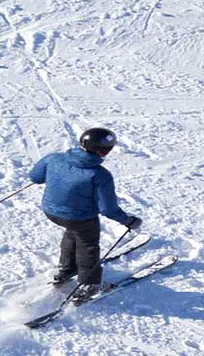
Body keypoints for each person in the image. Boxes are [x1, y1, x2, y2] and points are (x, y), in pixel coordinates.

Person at [28, 127, 143, 298]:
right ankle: (89, 285)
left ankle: (67, 270)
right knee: (87, 246)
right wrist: (128, 221)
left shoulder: (54, 158)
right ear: (103, 152)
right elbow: (108, 209)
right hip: (79, 218)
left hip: (51, 211)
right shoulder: (99, 175)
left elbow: (35, 177)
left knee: (73, 233)